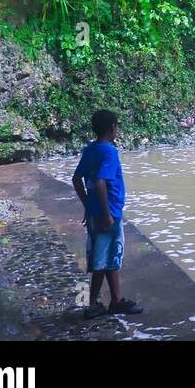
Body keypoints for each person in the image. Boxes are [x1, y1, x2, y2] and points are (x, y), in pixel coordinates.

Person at [71, 110, 143, 320]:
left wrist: (88, 204)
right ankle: (92, 305)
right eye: (117, 126)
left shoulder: (90, 149)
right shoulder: (109, 152)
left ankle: (116, 301)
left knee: (108, 257)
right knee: (103, 260)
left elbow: (77, 179)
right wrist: (107, 215)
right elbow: (102, 182)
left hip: (97, 212)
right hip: (108, 212)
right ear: (113, 127)